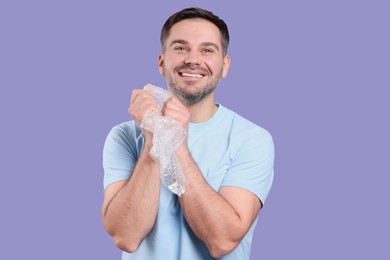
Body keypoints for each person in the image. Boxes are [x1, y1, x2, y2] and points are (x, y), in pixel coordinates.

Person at [101, 7, 274, 260]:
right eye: (181, 48)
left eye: (207, 50)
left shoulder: (252, 139)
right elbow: (125, 237)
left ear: (224, 66)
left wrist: (176, 143)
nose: (193, 59)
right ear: (162, 62)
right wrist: (153, 138)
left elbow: (222, 240)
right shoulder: (123, 137)